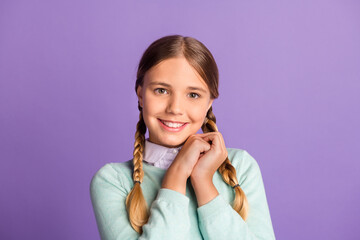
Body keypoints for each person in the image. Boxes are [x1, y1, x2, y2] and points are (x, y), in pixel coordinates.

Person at [90, 35, 276, 240]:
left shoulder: (241, 167)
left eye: (193, 95)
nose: (175, 108)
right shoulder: (113, 181)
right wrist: (176, 177)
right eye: (161, 90)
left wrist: (203, 181)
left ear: (209, 104)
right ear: (141, 95)